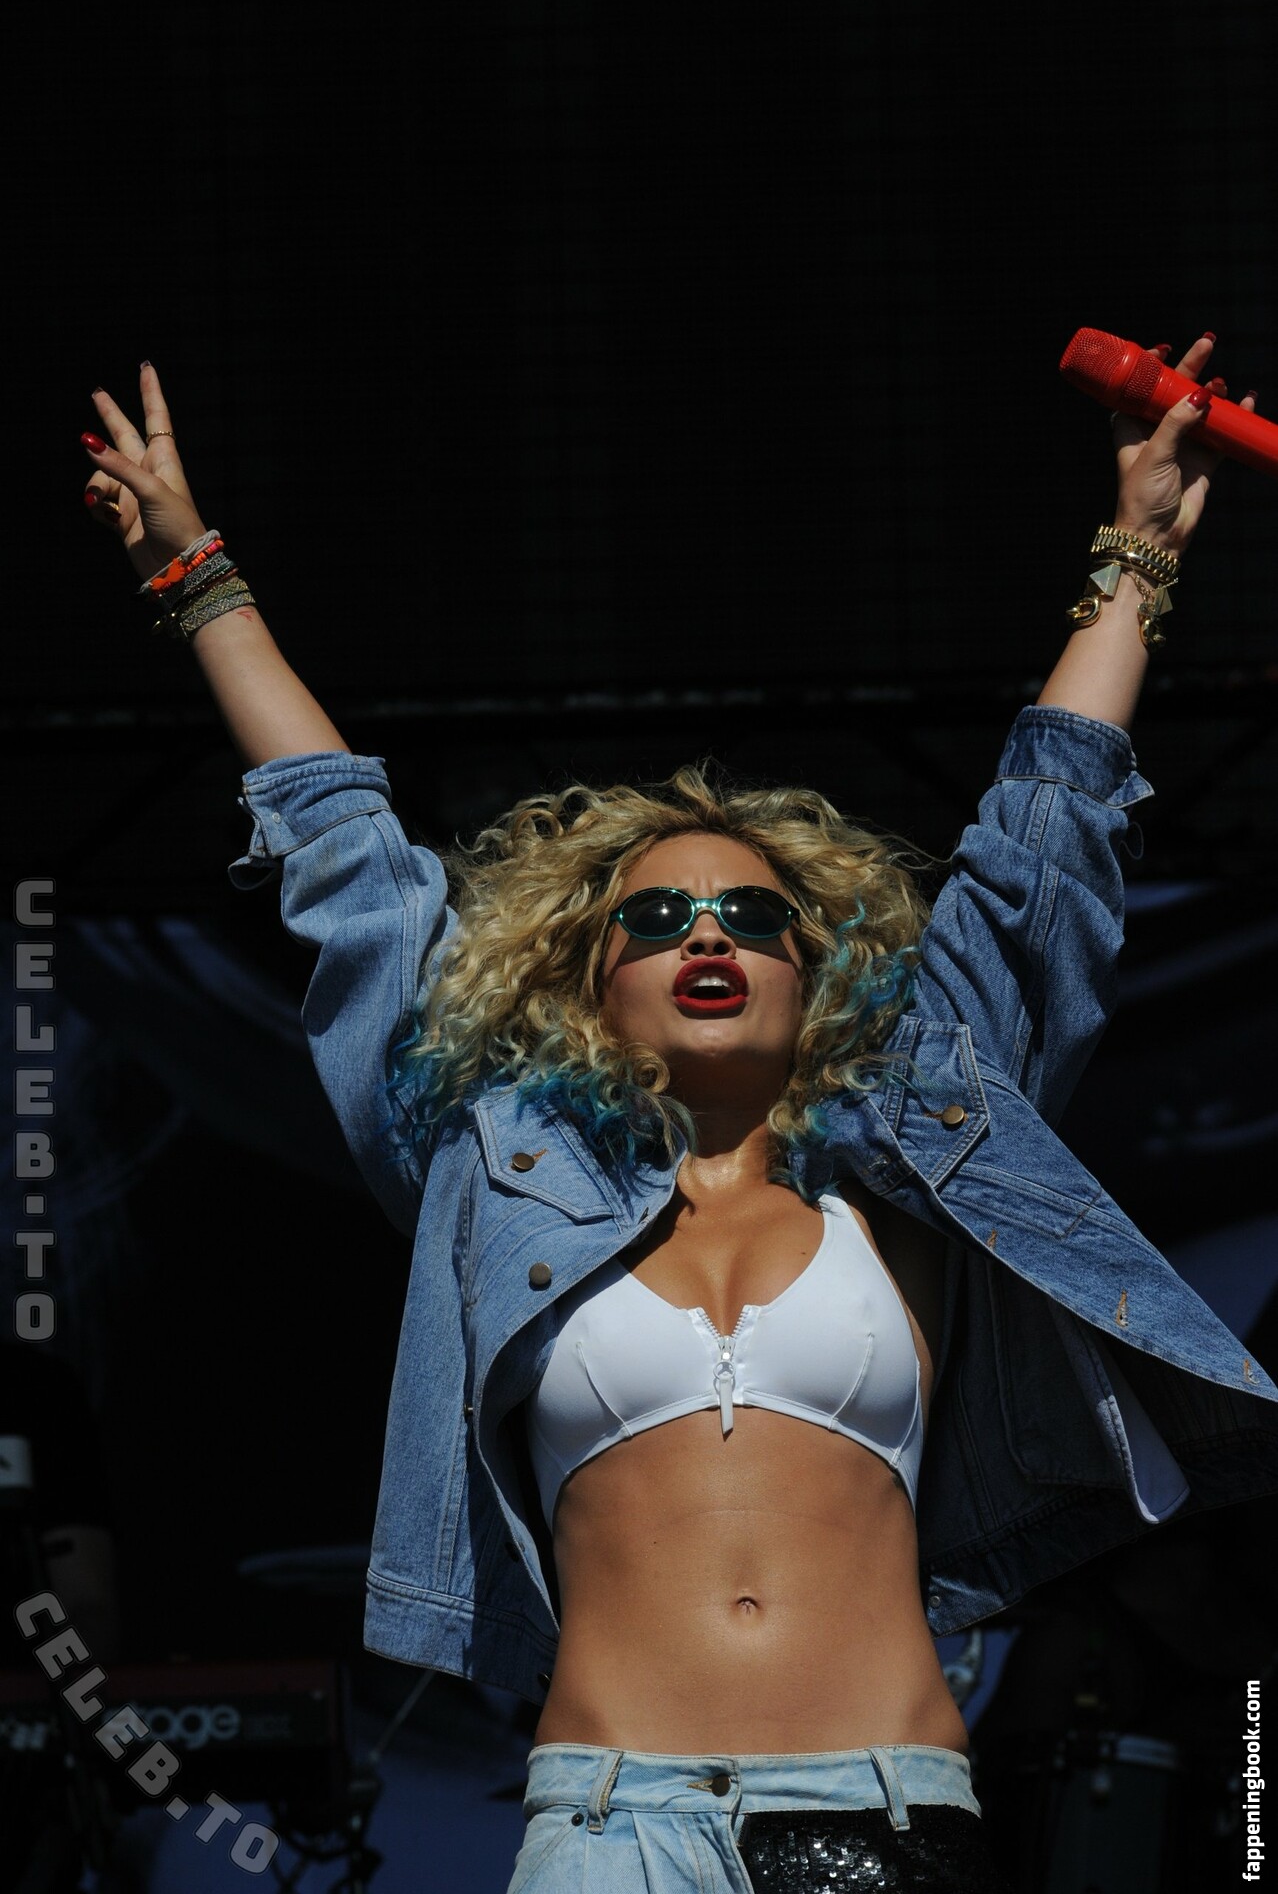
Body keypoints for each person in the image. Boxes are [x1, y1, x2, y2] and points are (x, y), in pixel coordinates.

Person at [78, 340, 1278, 1894]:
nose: (706, 933)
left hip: (886, 1811)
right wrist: (200, 581)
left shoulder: (920, 1151)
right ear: (587, 982)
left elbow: (1038, 855)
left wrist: (1134, 555)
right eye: (655, 920)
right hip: (610, 1825)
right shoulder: (490, 1158)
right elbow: (354, 873)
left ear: (812, 971)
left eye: (750, 916)